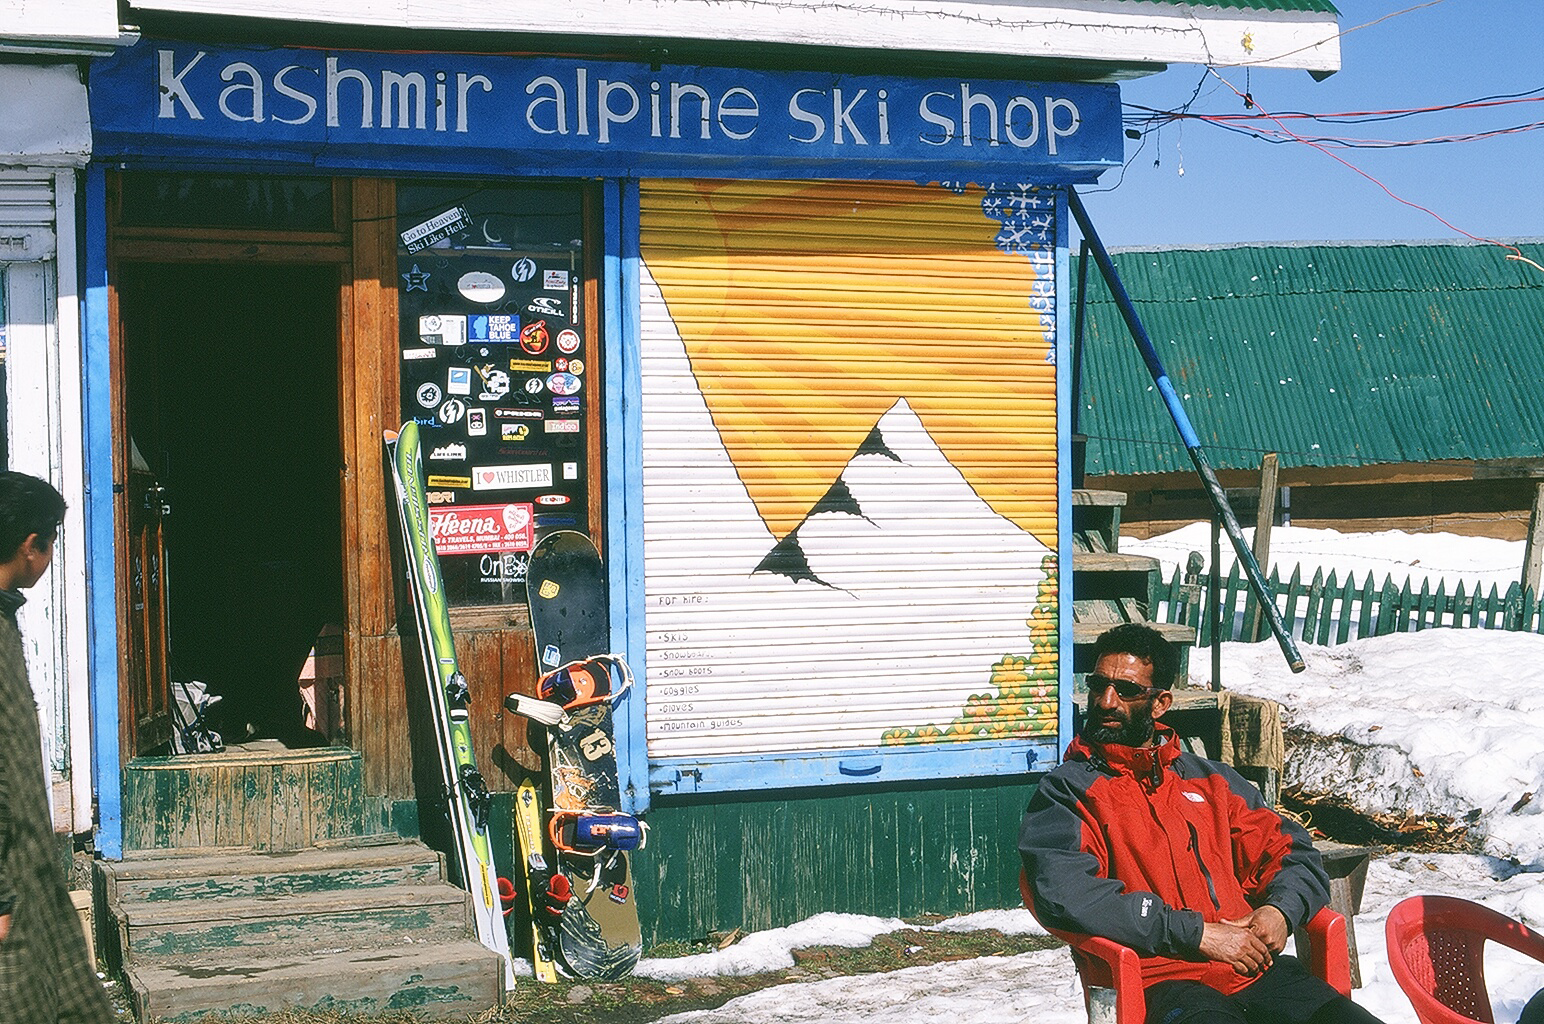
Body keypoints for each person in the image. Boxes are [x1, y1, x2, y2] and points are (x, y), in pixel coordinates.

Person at [1019, 623, 1383, 1024]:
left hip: (1253, 971)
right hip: (1160, 980)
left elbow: (1290, 851)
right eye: (1099, 685)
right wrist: (1198, 934)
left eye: (1126, 690)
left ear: (1160, 704)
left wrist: (1280, 911)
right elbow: (1068, 892)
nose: (1106, 701)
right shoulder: (1069, 791)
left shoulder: (1210, 781)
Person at [0, 471, 114, 1023]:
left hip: (31, 870)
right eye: (51, 541)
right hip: (10, 881)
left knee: (70, 998)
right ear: (30, 545)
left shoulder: (5, 616)